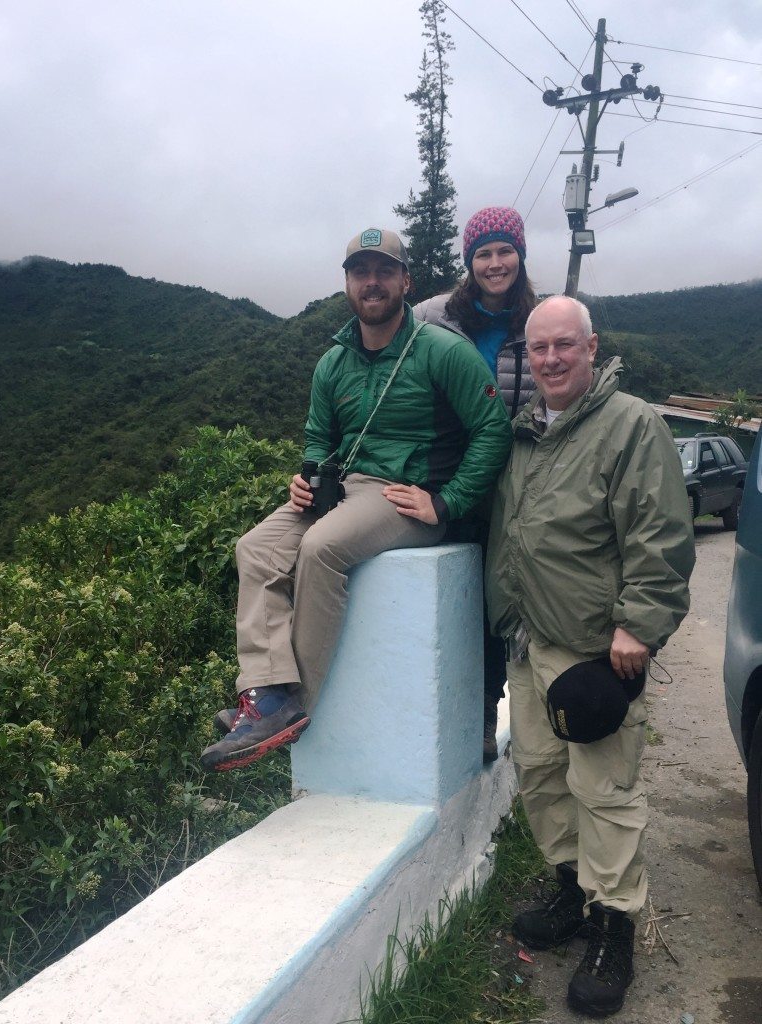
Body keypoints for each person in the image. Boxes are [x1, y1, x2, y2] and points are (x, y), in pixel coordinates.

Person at [200, 227, 513, 773]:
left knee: (321, 548)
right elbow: (319, 440)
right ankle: (265, 691)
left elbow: (492, 431)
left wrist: (448, 502)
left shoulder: (443, 351)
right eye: (360, 272)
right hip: (342, 489)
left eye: (384, 271)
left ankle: (295, 703)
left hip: (404, 497)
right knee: (255, 547)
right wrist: (306, 479)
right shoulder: (333, 363)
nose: (372, 282)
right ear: (347, 283)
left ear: (404, 281)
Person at [485, 295, 695, 1017]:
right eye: (538, 349)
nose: (550, 359)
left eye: (564, 346)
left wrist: (639, 624)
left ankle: (614, 924)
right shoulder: (521, 434)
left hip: (597, 649)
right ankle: (572, 890)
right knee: (541, 774)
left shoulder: (631, 425)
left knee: (603, 789)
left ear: (591, 347)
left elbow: (662, 532)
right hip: (528, 638)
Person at [413, 206, 536, 762]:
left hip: (515, 479)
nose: (494, 263)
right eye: (482, 253)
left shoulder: (537, 322)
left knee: (497, 599)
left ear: (521, 255)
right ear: (469, 261)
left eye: (504, 251)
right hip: (447, 471)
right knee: (450, 594)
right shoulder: (433, 318)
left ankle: (490, 711)